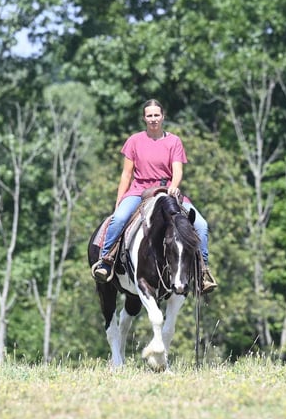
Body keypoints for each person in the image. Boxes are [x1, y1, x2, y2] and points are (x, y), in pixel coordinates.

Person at [92, 99, 218, 293]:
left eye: (156, 115)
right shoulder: (134, 141)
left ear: (163, 117)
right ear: (144, 118)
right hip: (139, 191)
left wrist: (174, 187)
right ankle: (106, 260)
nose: (153, 119)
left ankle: (202, 272)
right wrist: (120, 200)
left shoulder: (174, 141)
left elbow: (177, 171)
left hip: (167, 190)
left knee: (201, 224)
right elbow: (126, 174)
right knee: (118, 219)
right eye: (149, 116)